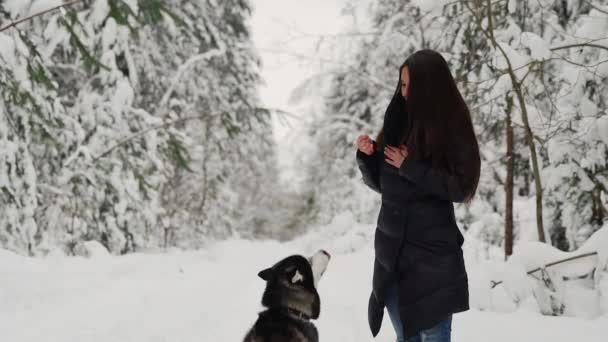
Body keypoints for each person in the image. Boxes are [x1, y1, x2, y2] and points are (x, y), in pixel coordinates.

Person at [355, 49, 481, 342]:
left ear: (429, 87)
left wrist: (411, 167)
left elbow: (462, 187)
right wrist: (369, 157)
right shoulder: (397, 122)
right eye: (401, 84)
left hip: (433, 263)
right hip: (394, 260)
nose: (404, 92)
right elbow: (385, 186)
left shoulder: (453, 126)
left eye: (411, 85)